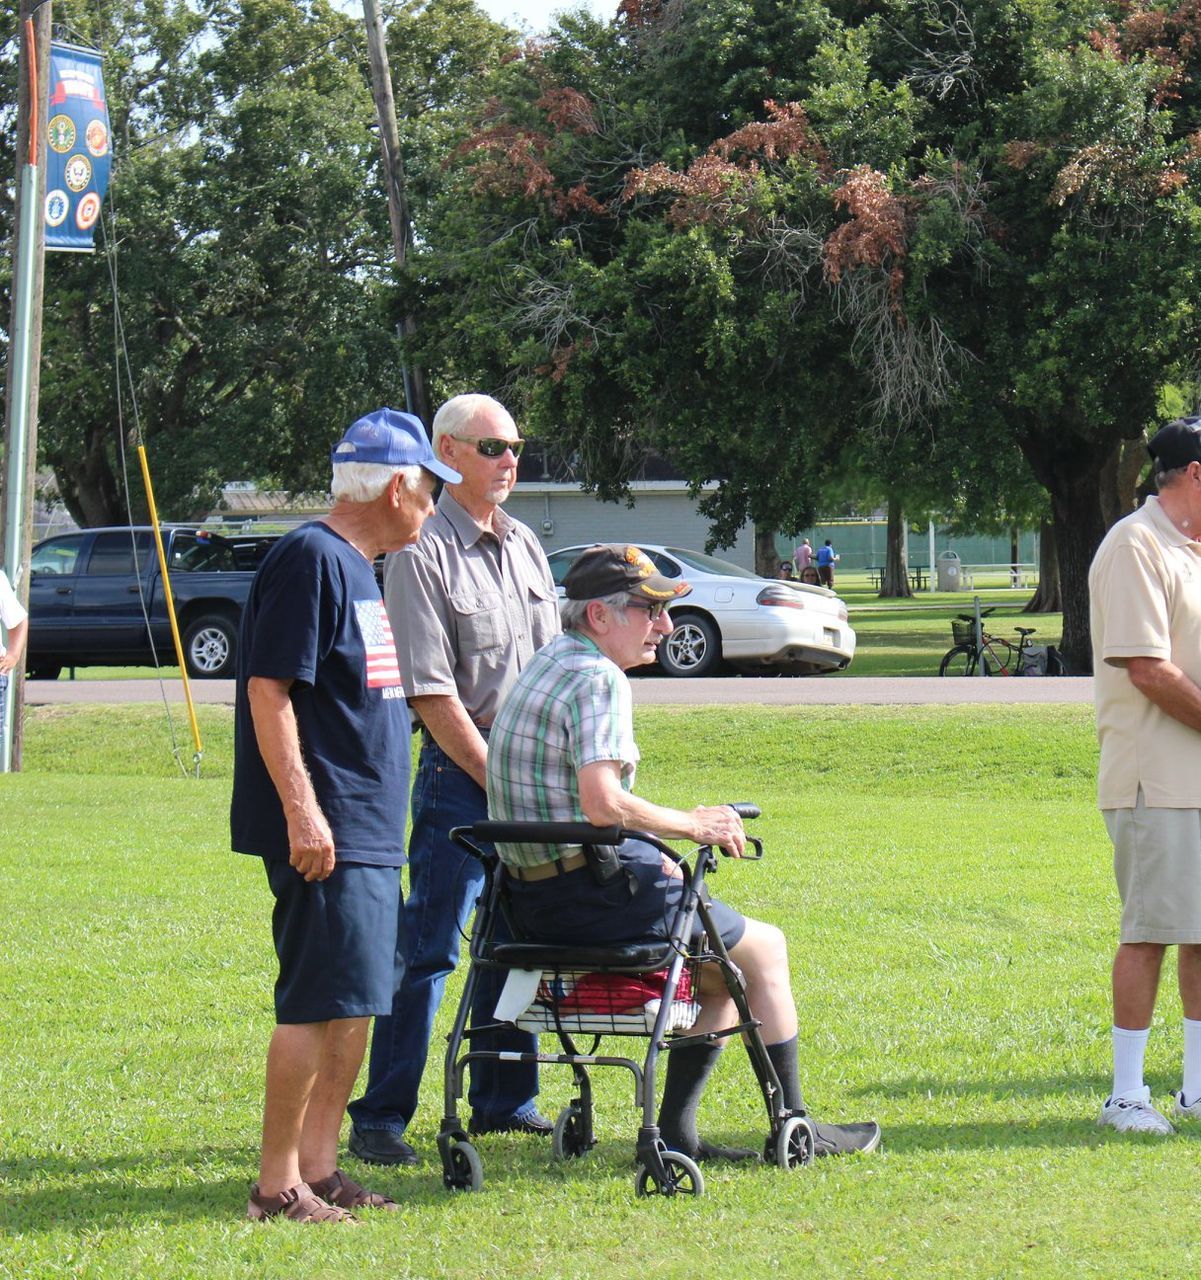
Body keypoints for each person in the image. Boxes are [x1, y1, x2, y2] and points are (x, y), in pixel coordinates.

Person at [487, 544, 880, 1161]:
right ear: (599, 617)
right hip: (592, 897)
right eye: (649, 611)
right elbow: (601, 803)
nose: (665, 627)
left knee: (719, 972)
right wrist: (692, 825)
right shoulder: (598, 678)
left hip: (527, 903)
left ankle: (679, 1136)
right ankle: (795, 1128)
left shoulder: (546, 664)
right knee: (763, 951)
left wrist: (655, 842)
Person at [230, 408, 457, 1222]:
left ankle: (320, 1167)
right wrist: (304, 813)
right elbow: (269, 690)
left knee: (358, 997)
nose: (433, 507)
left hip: (365, 823)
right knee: (316, 1000)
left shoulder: (361, 564)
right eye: (431, 491)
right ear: (398, 485)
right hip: (326, 826)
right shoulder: (311, 558)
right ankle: (274, 1185)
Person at [347, 395, 561, 1167]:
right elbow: (431, 694)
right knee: (430, 948)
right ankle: (380, 1115)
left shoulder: (527, 544)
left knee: (519, 944)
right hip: (460, 779)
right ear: (446, 451)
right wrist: (495, 776)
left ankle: (506, 1100)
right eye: (493, 445)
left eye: (516, 446)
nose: (511, 459)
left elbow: (554, 673)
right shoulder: (419, 549)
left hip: (532, 783)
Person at [1087, 414, 1201, 1135]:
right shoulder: (1134, 546)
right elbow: (1147, 670)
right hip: (1155, 780)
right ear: (1194, 474)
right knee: (1151, 932)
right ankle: (1127, 1096)